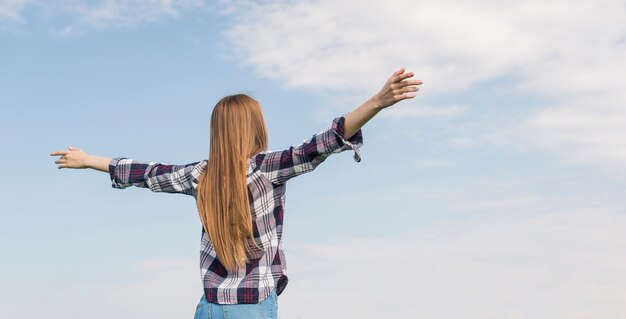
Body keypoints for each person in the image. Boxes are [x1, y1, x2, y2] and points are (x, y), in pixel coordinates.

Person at [50, 68, 422, 319]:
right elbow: (322, 143)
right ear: (255, 128)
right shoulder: (267, 168)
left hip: (208, 307)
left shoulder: (199, 176)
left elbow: (145, 173)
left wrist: (88, 160)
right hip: (254, 306)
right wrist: (377, 102)